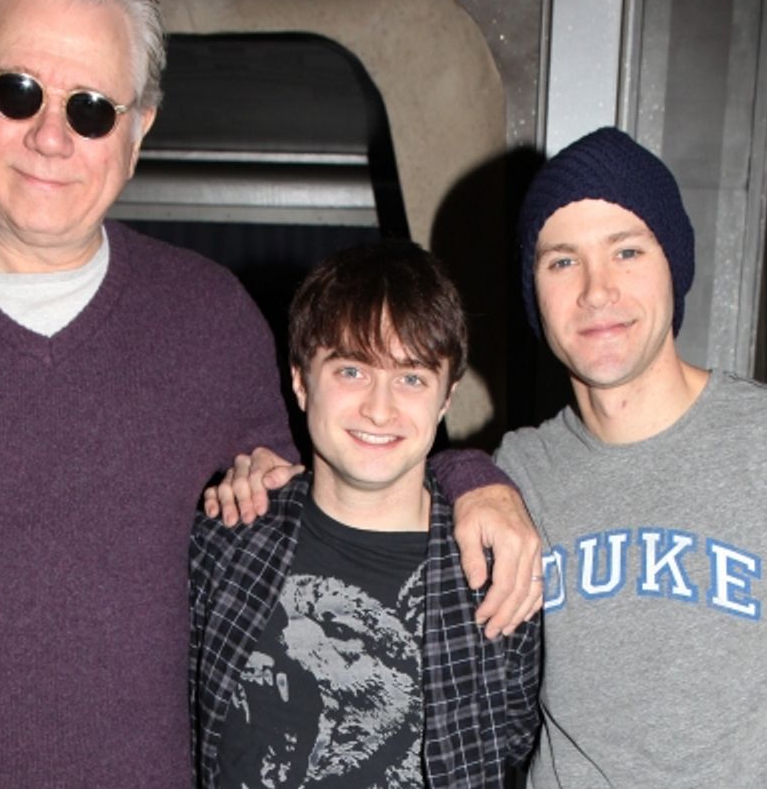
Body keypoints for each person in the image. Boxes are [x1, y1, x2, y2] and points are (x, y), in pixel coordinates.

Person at [0, 0, 536, 786]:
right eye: (19, 91)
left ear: (140, 129)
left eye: (92, 108)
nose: (53, 136)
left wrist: (472, 478)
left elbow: (337, 491)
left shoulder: (211, 320)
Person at [495, 126, 767, 786]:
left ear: (673, 268)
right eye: (562, 261)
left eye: (626, 251)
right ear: (534, 295)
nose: (597, 290)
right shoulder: (515, 473)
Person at [190, 242, 541, 787]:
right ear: (301, 382)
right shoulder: (228, 539)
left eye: (411, 378)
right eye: (351, 371)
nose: (380, 408)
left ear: (446, 399)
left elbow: (521, 744)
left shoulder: (497, 571)